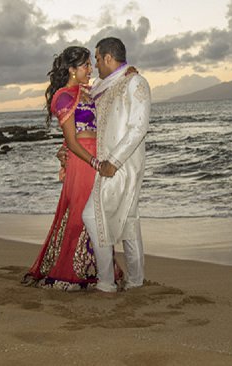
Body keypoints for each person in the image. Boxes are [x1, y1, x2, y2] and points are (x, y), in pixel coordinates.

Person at [21, 46, 99, 290]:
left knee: (95, 215)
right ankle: (69, 272)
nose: (91, 68)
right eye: (86, 64)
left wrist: (127, 72)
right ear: (72, 70)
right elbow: (73, 141)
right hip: (83, 159)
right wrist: (95, 162)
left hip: (95, 154)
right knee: (79, 215)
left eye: (90, 64)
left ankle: (92, 268)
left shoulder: (87, 91)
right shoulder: (64, 97)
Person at [82, 37, 151, 293]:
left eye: (98, 59)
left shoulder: (135, 83)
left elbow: (138, 126)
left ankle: (106, 282)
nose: (96, 64)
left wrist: (114, 161)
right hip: (106, 164)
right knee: (129, 220)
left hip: (123, 165)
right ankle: (135, 281)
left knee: (92, 215)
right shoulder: (104, 86)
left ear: (109, 58)